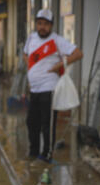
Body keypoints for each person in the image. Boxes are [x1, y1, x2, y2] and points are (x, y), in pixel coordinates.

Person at [24, 9, 82, 162]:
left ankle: (46, 154)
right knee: (31, 122)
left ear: (51, 25)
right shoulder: (31, 38)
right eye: (40, 23)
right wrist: (31, 69)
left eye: (46, 24)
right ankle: (33, 151)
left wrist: (58, 66)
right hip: (34, 88)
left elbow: (77, 53)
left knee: (46, 124)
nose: (42, 27)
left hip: (49, 88)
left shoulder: (57, 40)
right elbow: (25, 54)